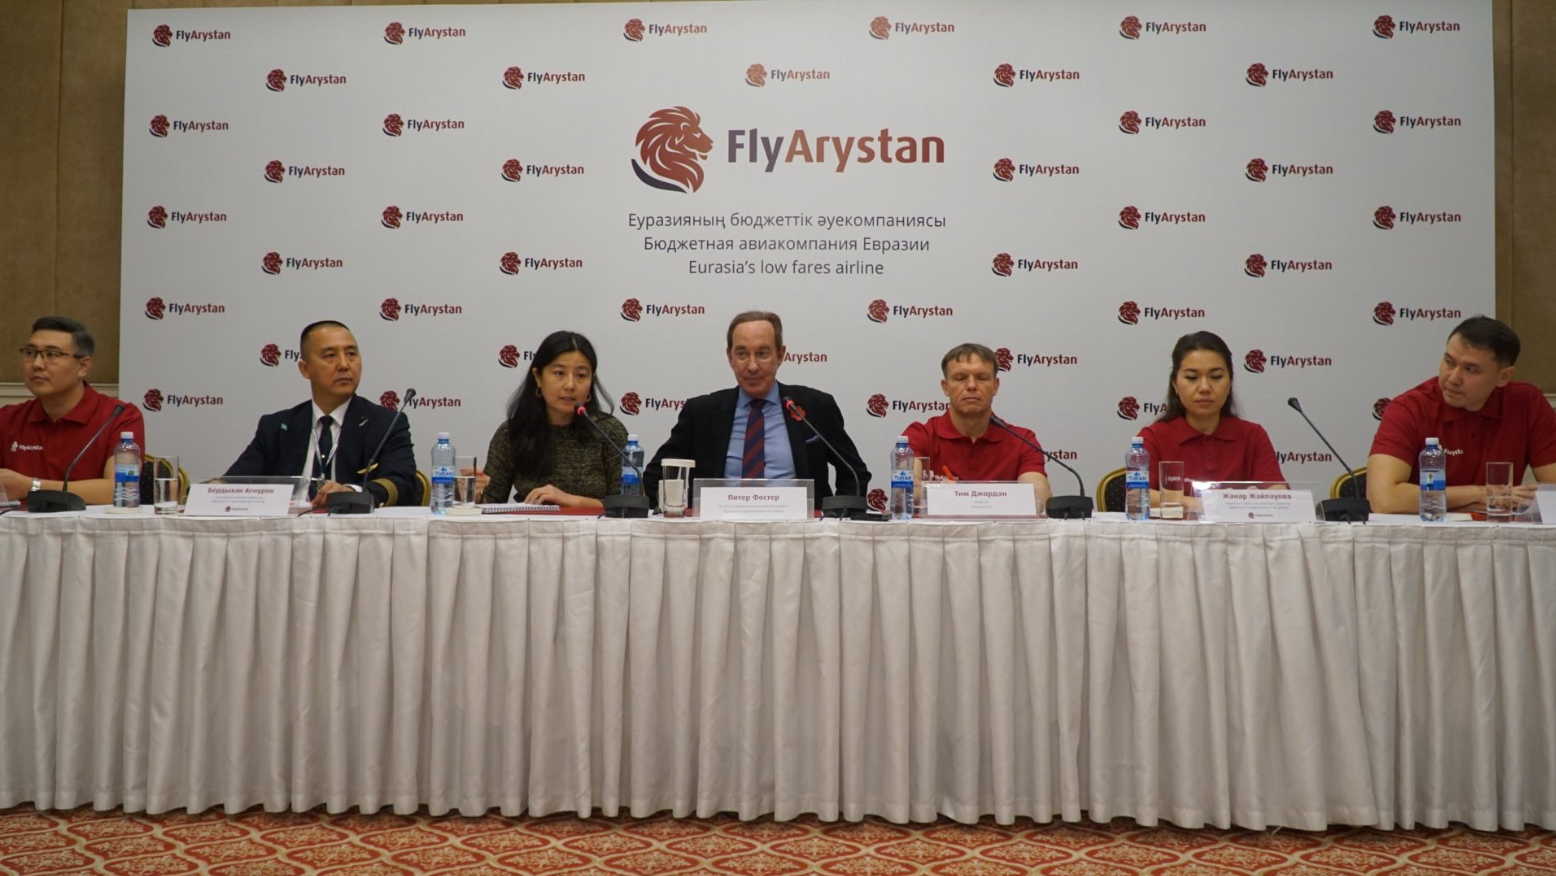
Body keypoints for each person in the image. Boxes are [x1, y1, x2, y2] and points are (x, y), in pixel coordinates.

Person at [644, 310, 871, 508]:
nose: (752, 366)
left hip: (798, 533)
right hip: (720, 533)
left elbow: (854, 474)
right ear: (730, 357)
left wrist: (837, 519)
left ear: (780, 355)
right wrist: (681, 518)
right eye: (742, 354)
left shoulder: (815, 407)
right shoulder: (701, 412)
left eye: (762, 353)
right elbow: (656, 475)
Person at [1368, 315, 1556, 513]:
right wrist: (1480, 494)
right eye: (1449, 362)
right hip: (1427, 529)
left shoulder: (1526, 403)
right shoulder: (1410, 408)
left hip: (1499, 528)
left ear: (1503, 377)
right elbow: (1384, 499)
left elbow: (1553, 490)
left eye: (1470, 370)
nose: (1453, 378)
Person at [225, 320, 417, 508]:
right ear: (305, 369)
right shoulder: (277, 427)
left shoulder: (386, 424)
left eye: (351, 354)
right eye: (330, 356)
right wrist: (217, 488)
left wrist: (350, 493)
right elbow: (232, 484)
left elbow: (402, 483)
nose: (344, 365)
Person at [0, 316, 145, 505]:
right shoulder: (8, 418)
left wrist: (31, 486)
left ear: (83, 367)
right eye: (30, 352)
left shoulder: (119, 416)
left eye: (52, 355)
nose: (36, 364)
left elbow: (120, 490)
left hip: (90, 524)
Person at [480, 330, 628, 507]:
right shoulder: (512, 431)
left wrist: (571, 501)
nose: (570, 385)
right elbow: (491, 502)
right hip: (530, 525)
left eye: (581, 375)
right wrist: (475, 493)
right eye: (559, 373)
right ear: (538, 377)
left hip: (595, 525)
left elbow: (629, 504)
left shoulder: (608, 431)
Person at [1138, 331, 1285, 506]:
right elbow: (1137, 494)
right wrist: (1198, 504)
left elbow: (1278, 491)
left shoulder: (1253, 436)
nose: (1204, 387)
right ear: (1175, 384)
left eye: (1216, 377)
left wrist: (1259, 497)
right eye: (1192, 377)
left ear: (1230, 383)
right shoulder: (1154, 437)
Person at [904, 343, 1049, 500]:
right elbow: (904, 490)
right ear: (946, 387)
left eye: (982, 378)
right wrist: (939, 490)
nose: (972, 386)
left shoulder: (1022, 441)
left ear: (995, 386)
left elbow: (1040, 496)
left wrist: (959, 496)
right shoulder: (920, 435)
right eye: (960, 378)